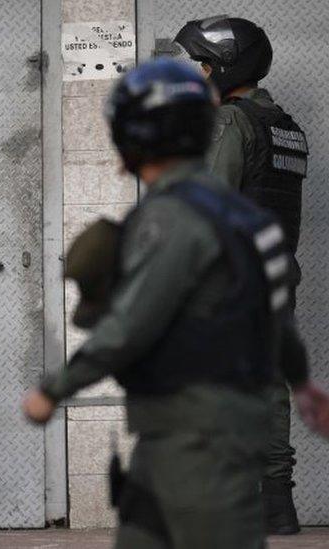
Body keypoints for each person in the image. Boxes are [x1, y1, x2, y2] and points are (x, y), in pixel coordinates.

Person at [21, 58, 329, 549]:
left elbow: (129, 327)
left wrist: (53, 390)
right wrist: (305, 387)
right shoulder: (255, 224)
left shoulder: (173, 219)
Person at [173, 16, 310, 534]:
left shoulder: (233, 122)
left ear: (229, 68)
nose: (199, 74)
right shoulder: (286, 127)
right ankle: (277, 504)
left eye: (203, 64)